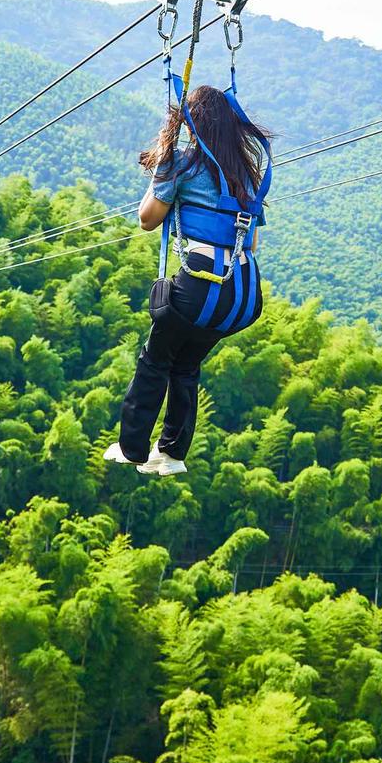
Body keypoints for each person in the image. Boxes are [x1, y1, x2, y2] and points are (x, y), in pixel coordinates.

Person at [107, 84, 272, 477]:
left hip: (202, 284)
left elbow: (148, 220)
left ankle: (132, 448)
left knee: (155, 359)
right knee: (186, 366)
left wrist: (164, 163)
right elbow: (251, 239)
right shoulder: (247, 176)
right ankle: (173, 453)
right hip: (244, 293)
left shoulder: (180, 163)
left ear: (189, 125)